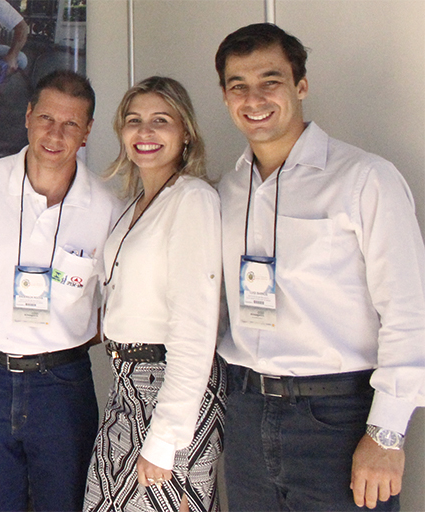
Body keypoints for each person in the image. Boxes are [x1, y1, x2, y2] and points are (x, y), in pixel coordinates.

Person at [214, 23, 425, 511]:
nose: (255, 98)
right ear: (225, 97)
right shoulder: (227, 191)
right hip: (245, 411)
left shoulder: (364, 179)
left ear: (301, 86)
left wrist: (387, 435)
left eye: (271, 80)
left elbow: (409, 310)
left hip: (338, 417)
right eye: (238, 86)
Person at [0, 70, 121, 511]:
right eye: (45, 118)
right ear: (27, 116)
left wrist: (61, 333)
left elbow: (115, 304)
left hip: (62, 385)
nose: (54, 134)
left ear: (87, 131)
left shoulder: (108, 208)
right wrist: (1, 316)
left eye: (70, 124)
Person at [82, 76, 225, 512]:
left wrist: (166, 438)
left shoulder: (192, 200)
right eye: (134, 121)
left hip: (173, 391)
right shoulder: (133, 205)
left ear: (186, 134)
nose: (144, 133)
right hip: (127, 388)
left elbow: (196, 327)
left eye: (160, 121)